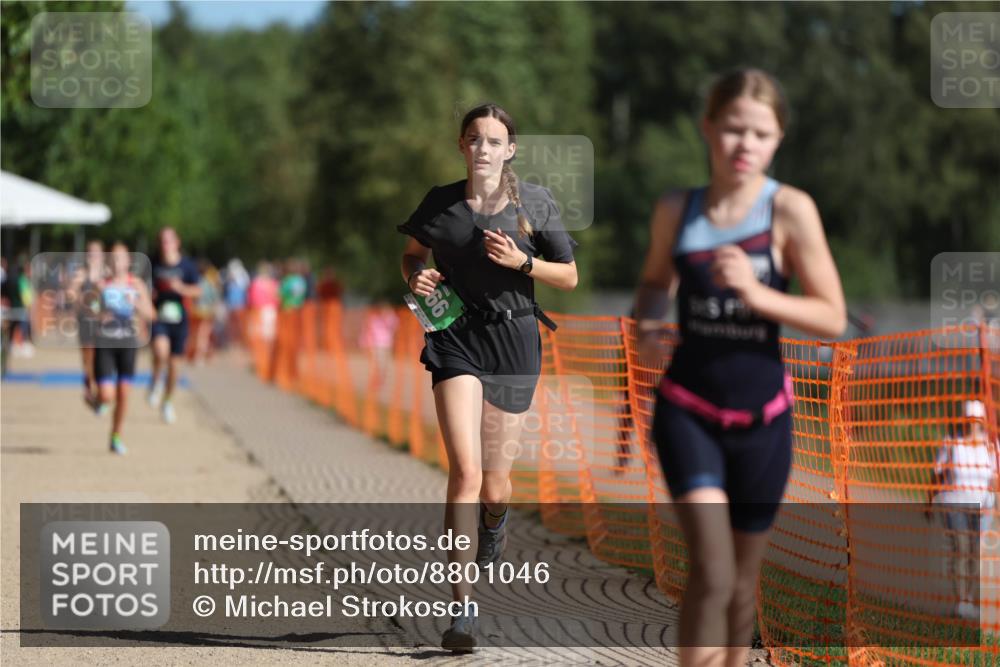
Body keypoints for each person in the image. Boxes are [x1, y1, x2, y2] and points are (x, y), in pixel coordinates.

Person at [633, 68, 847, 667]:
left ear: (777, 139)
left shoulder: (790, 210)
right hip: (688, 412)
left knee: (741, 581)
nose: (744, 145)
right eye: (732, 129)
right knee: (713, 567)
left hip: (764, 421)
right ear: (708, 129)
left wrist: (757, 294)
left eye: (760, 133)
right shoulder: (678, 210)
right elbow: (653, 283)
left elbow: (831, 316)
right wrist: (649, 326)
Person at [397, 103, 578, 652]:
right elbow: (410, 256)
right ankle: (463, 610)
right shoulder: (441, 202)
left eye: (494, 141)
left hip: (514, 344)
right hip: (455, 340)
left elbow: (569, 276)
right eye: (474, 139)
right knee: (465, 473)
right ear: (462, 145)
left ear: (510, 150)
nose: (483, 149)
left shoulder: (534, 203)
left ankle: (494, 524)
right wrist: (419, 275)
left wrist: (522, 264)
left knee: (496, 486)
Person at [928, 399, 998, 620]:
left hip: (983, 505)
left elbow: (996, 479)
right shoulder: (952, 442)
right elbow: (937, 473)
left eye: (976, 421)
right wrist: (929, 501)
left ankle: (969, 598)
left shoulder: (992, 446)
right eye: (969, 420)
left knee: (976, 551)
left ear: (983, 422)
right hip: (954, 502)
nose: (972, 425)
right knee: (961, 547)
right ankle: (962, 602)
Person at [93, 242, 155, 454]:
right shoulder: (102, 285)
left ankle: (116, 436)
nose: (117, 262)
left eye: (121, 257)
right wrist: (100, 316)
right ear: (109, 262)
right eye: (113, 258)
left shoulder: (136, 284)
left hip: (128, 343)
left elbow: (151, 315)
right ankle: (97, 399)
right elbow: (89, 314)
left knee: (124, 393)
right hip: (105, 343)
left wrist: (136, 303)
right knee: (107, 395)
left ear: (128, 261)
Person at [147, 227, 201, 424]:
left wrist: (181, 288)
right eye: (162, 240)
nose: (165, 244)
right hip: (159, 317)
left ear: (177, 242)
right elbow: (144, 289)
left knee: (175, 367)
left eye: (169, 240)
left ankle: (167, 402)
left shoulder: (187, 265)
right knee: (161, 352)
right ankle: (155, 382)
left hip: (179, 320)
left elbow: (198, 291)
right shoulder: (153, 263)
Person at [66, 240, 106, 409]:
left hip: (103, 322)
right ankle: (90, 389)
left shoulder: (107, 274)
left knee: (102, 358)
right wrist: (78, 297)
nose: (93, 256)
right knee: (88, 357)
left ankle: (99, 391)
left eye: (96, 252)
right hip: (86, 321)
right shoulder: (82, 273)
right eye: (90, 252)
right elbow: (70, 292)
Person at [192, 261, 221, 365]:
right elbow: (215, 298)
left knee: (199, 334)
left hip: (197, 311)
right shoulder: (210, 283)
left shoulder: (198, 282)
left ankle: (198, 356)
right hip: (207, 312)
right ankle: (200, 357)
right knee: (203, 335)